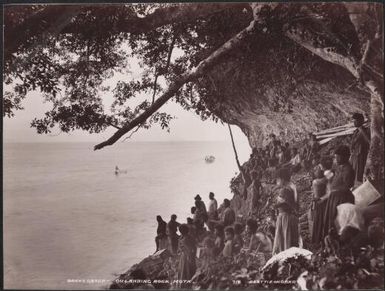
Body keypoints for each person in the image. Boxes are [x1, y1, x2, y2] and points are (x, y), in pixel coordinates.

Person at [323, 145, 355, 239]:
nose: (336, 159)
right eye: (335, 157)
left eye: (338, 157)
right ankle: (331, 241)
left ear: (345, 157)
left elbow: (348, 186)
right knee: (332, 220)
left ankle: (339, 242)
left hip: (342, 199)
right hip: (335, 197)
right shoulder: (340, 167)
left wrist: (335, 189)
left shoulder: (348, 170)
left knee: (339, 221)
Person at [272, 168, 299, 255]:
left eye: (278, 179)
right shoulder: (291, 187)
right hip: (287, 216)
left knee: (283, 240)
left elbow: (284, 204)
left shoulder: (285, 190)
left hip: (284, 217)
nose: (277, 181)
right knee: (288, 239)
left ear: (282, 179)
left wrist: (274, 206)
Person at [350, 112, 370, 185]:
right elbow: (352, 143)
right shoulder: (355, 131)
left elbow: (369, 141)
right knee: (354, 172)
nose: (354, 123)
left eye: (355, 121)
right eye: (353, 121)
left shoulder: (366, 130)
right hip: (355, 155)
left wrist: (362, 130)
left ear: (361, 121)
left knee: (359, 172)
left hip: (361, 155)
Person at [311, 168, 327, 245]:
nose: (316, 173)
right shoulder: (318, 181)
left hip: (321, 202)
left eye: (317, 172)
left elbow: (328, 192)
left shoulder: (321, 181)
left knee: (319, 220)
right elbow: (314, 193)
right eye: (316, 172)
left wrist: (321, 199)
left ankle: (318, 239)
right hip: (318, 202)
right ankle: (317, 239)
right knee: (317, 219)